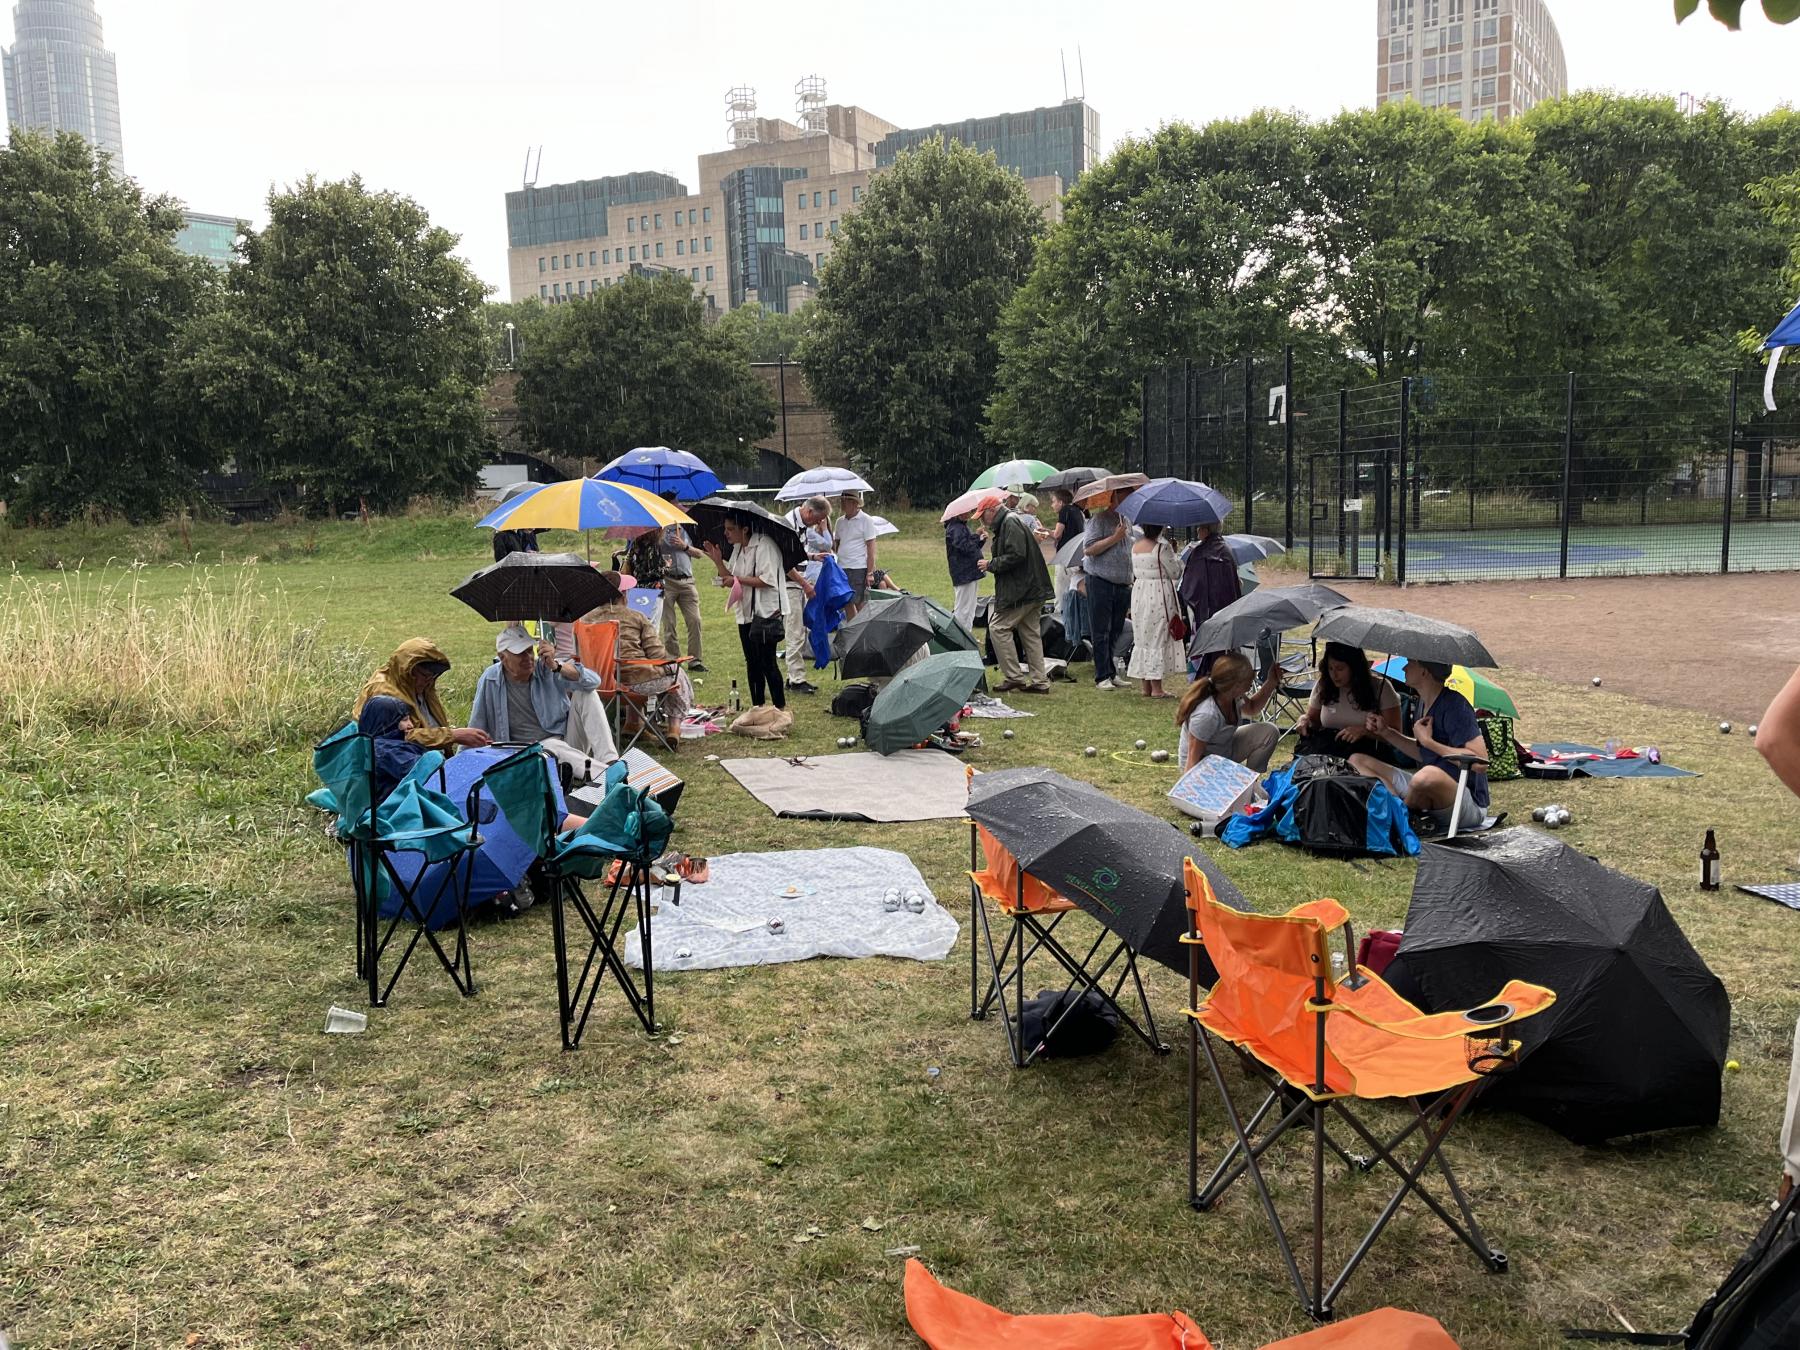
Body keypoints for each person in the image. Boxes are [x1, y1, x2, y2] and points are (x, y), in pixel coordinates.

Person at [1349, 658, 1488, 832]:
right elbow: (1424, 753)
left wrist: (1428, 742)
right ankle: (1396, 809)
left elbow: (1480, 762)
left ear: (1424, 671)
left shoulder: (1455, 705)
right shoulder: (1422, 702)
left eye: (1410, 663)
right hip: (1424, 790)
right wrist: (1386, 732)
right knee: (1357, 760)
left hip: (1465, 802)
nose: (1404, 667)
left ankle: (1400, 822)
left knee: (1425, 776)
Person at [469, 624, 616, 781]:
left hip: (567, 741)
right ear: (503, 657)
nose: (528, 657)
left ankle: (611, 762)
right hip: (525, 757)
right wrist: (458, 766)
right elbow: (477, 726)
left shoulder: (546, 667)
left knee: (586, 693)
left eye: (529, 650)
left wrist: (556, 666)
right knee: (550, 745)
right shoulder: (491, 679)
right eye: (520, 653)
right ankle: (609, 778)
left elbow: (593, 682)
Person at [581, 569, 691, 732]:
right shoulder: (636, 616)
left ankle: (633, 723)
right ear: (623, 594)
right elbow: (658, 655)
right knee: (677, 673)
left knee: (632, 667)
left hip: (599, 682)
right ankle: (674, 728)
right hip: (636, 683)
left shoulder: (585, 619)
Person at [703, 515, 787, 710]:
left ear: (745, 529)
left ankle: (779, 707)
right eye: (726, 529)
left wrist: (738, 580)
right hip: (745, 611)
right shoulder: (738, 548)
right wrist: (718, 562)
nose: (726, 533)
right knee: (752, 662)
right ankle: (758, 706)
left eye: (730, 529)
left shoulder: (765, 545)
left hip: (766, 611)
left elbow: (767, 580)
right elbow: (730, 578)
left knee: (768, 662)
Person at [354, 639, 490, 752]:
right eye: (425, 675)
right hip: (403, 771)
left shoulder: (421, 687)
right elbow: (393, 738)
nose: (429, 681)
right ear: (407, 670)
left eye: (434, 676)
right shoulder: (385, 693)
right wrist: (452, 735)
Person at [977, 493, 1053, 695]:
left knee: (998, 628)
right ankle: (1040, 681)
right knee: (1030, 634)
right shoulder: (1010, 522)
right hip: (1032, 587)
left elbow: (1016, 555)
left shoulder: (1010, 523)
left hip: (1023, 589)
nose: (982, 520)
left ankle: (1014, 677)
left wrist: (991, 564)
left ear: (992, 511)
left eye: (983, 515)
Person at [1177, 651, 1282, 772]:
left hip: (1224, 751)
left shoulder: (1233, 695)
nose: (1252, 681)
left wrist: (1271, 682)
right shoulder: (1207, 715)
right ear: (1236, 685)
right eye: (1249, 678)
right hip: (1203, 767)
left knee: (1269, 732)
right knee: (1258, 792)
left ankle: (1252, 779)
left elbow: (1252, 708)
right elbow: (1192, 762)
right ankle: (1245, 786)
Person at [1294, 642, 1402, 759]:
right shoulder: (1324, 685)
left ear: (1355, 668)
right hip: (1328, 751)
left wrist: (1365, 732)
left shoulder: (1381, 687)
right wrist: (1304, 720)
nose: (1334, 674)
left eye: (1340, 669)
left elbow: (1396, 734)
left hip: (1367, 755)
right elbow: (1314, 721)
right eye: (1330, 668)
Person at [1125, 522, 1185, 698]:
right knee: (1158, 636)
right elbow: (1175, 573)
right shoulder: (1162, 547)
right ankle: (1157, 688)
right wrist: (1176, 556)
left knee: (1143, 637)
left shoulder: (1135, 546)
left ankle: (1146, 686)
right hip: (1159, 594)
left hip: (1140, 593)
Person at [782, 495, 834, 694]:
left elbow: (796, 552)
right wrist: (805, 584)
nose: (816, 524)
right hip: (791, 584)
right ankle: (796, 679)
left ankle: (794, 675)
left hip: (797, 582)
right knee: (794, 632)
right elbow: (786, 562)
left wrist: (812, 556)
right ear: (809, 512)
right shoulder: (788, 525)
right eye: (817, 519)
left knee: (800, 631)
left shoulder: (802, 525)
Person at [1083, 494, 1134, 690]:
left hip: (1122, 583)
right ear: (1114, 500)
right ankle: (1101, 675)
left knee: (1116, 628)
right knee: (1101, 630)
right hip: (1101, 581)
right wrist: (1115, 537)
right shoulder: (1099, 520)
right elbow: (1089, 549)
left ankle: (1111, 672)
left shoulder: (1126, 521)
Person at [1179, 521, 1243, 674]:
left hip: (1204, 611)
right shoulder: (1227, 551)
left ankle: (1205, 673)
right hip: (1226, 609)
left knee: (1206, 648)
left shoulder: (1199, 553)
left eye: (1199, 527)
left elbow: (1188, 586)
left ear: (1206, 530)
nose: (1197, 530)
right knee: (1223, 646)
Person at [658, 494, 708, 673]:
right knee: (669, 624)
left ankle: (695, 660)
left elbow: (700, 554)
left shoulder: (687, 528)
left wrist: (684, 546)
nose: (678, 506)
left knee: (695, 620)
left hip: (687, 581)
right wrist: (662, 529)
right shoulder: (658, 528)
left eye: (677, 504)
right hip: (667, 581)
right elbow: (655, 548)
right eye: (673, 504)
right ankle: (674, 660)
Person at [834, 490, 880, 615]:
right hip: (842, 567)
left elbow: (871, 548)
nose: (842, 504)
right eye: (841, 501)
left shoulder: (866, 520)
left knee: (859, 602)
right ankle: (852, 631)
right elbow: (836, 544)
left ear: (854, 503)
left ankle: (864, 631)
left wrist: (870, 573)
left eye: (845, 501)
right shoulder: (840, 522)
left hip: (858, 567)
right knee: (847, 602)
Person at [944, 510, 986, 633]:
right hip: (964, 574)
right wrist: (977, 536)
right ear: (957, 513)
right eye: (964, 512)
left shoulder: (961, 527)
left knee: (971, 607)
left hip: (969, 573)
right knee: (963, 608)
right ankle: (959, 636)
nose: (968, 514)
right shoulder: (955, 528)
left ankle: (967, 635)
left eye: (968, 511)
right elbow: (964, 547)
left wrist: (980, 539)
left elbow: (970, 547)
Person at [1049, 487, 1087, 605]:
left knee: (1060, 594)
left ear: (1061, 502)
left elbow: (1057, 534)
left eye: (1054, 501)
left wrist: (1044, 532)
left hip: (1065, 557)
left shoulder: (1065, 510)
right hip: (1076, 556)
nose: (1052, 505)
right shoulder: (1078, 511)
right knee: (1073, 592)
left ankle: (1058, 618)